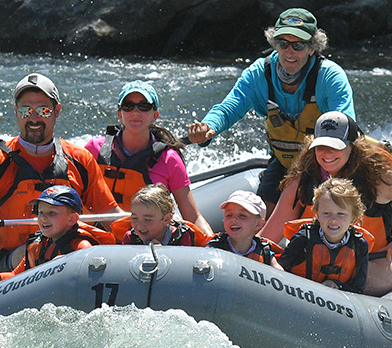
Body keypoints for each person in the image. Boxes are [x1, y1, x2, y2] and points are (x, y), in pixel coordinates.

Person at [0, 73, 124, 277]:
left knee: (78, 247)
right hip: (8, 264)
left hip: (67, 256)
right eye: (26, 111)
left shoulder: (80, 159)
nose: (34, 118)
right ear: (16, 112)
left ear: (56, 111)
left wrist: (143, 231)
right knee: (37, 250)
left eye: (43, 110)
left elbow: (112, 217)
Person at [260, 111, 392, 296]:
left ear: (352, 146)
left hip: (374, 261)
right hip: (316, 261)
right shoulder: (302, 180)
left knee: (344, 272)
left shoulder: (379, 177)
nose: (327, 153)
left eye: (336, 146)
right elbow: (268, 237)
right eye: (321, 146)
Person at [186, 7, 355, 211]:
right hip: (284, 163)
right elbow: (228, 108)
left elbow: (345, 128)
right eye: (283, 43)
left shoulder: (330, 76)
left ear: (312, 48)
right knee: (264, 211)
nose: (289, 51)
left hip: (328, 164)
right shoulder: (259, 73)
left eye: (298, 45)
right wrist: (208, 127)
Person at [85, 80, 212, 236]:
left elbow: (193, 216)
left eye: (144, 107)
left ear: (155, 115)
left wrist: (212, 246)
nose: (135, 112)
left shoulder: (169, 159)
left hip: (145, 243)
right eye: (128, 106)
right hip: (97, 240)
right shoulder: (93, 149)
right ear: (120, 114)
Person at [0, 186, 116, 292]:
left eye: (52, 212)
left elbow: (90, 281)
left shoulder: (81, 246)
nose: (44, 218)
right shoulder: (36, 246)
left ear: (72, 219)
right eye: (40, 212)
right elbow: (17, 276)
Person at [278, 178, 370, 293]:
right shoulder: (303, 238)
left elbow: (358, 288)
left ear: (353, 217)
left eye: (341, 214)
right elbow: (280, 272)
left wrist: (337, 285)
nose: (333, 220)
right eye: (326, 213)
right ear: (317, 214)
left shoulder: (359, 246)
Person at [112, 183, 210, 246]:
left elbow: (183, 269)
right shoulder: (130, 238)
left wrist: (163, 253)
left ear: (166, 219)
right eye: (134, 218)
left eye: (148, 219)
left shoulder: (181, 236)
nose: (139, 225)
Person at [205, 190, 281, 268]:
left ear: (258, 224)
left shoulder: (265, 252)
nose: (233, 219)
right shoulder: (215, 246)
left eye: (242, 215)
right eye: (229, 215)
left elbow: (280, 274)